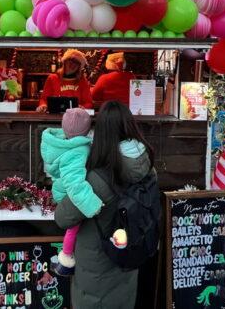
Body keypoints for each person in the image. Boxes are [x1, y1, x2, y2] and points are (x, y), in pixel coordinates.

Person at [54, 100, 155, 309]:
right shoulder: (148, 169)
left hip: (97, 272)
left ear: (100, 132)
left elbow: (63, 218)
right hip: (130, 259)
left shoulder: (99, 179)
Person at [40, 108, 101, 276]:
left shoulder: (58, 143)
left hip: (61, 187)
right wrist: (92, 204)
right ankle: (66, 259)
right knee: (74, 228)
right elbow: (75, 183)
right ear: (87, 131)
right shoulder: (76, 151)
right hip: (68, 193)